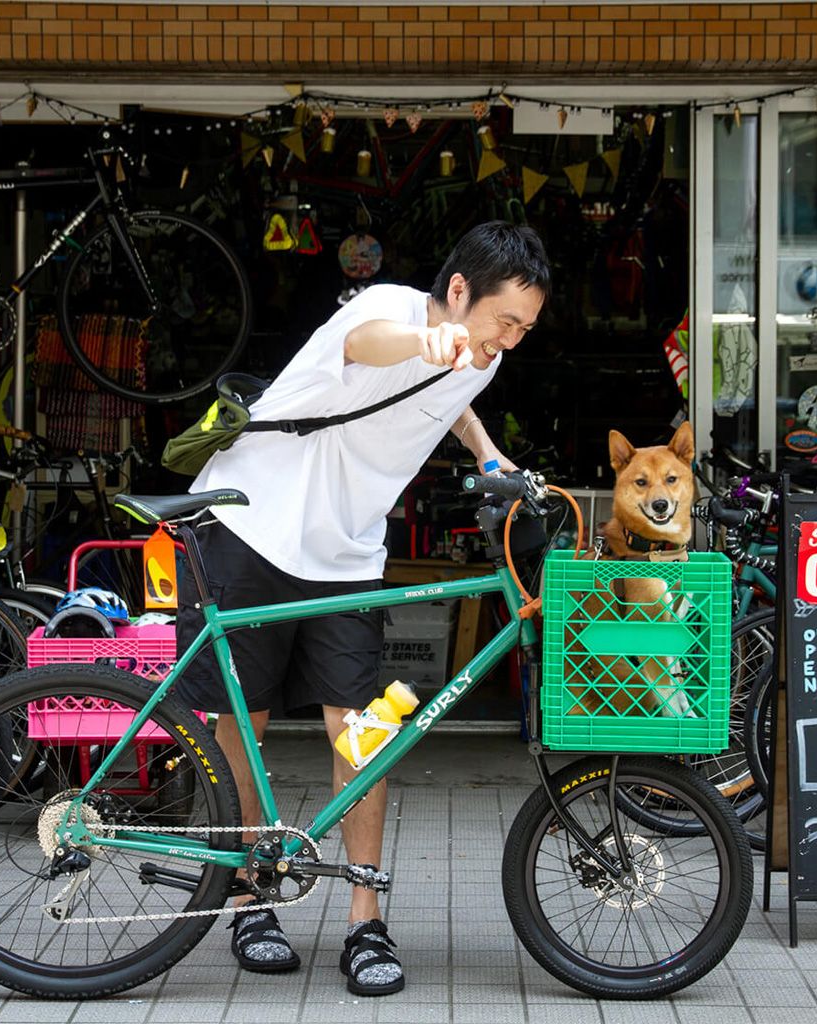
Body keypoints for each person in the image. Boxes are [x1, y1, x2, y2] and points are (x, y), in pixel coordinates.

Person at [174, 221, 550, 997]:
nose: (509, 339)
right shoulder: (385, 308)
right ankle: (249, 894)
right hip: (254, 526)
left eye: (524, 328)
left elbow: (448, 396)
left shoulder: (477, 359)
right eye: (503, 320)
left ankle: (364, 917)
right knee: (244, 723)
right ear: (456, 294)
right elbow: (371, 345)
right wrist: (425, 344)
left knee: (365, 729)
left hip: (347, 554)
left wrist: (486, 451)